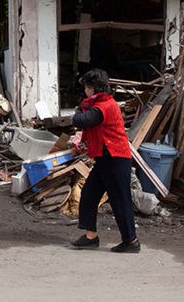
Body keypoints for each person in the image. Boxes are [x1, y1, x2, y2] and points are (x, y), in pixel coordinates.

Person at [70, 69, 140, 253]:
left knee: (120, 200)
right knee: (89, 194)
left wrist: (79, 109)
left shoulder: (105, 106)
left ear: (93, 88)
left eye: (86, 87)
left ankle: (131, 241)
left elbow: (82, 119)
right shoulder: (99, 104)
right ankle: (90, 236)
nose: (85, 91)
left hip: (115, 158)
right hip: (105, 158)